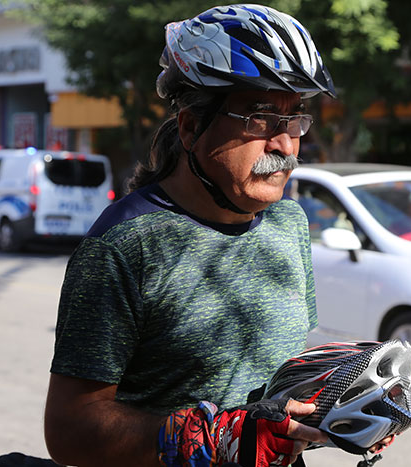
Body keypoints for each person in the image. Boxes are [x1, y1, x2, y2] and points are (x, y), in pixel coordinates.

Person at [43, 4, 345, 467]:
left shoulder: (289, 223)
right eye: (260, 117)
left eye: (294, 119)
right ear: (191, 127)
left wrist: (344, 404)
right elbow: (69, 430)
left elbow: (276, 379)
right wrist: (215, 436)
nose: (284, 145)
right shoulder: (124, 246)